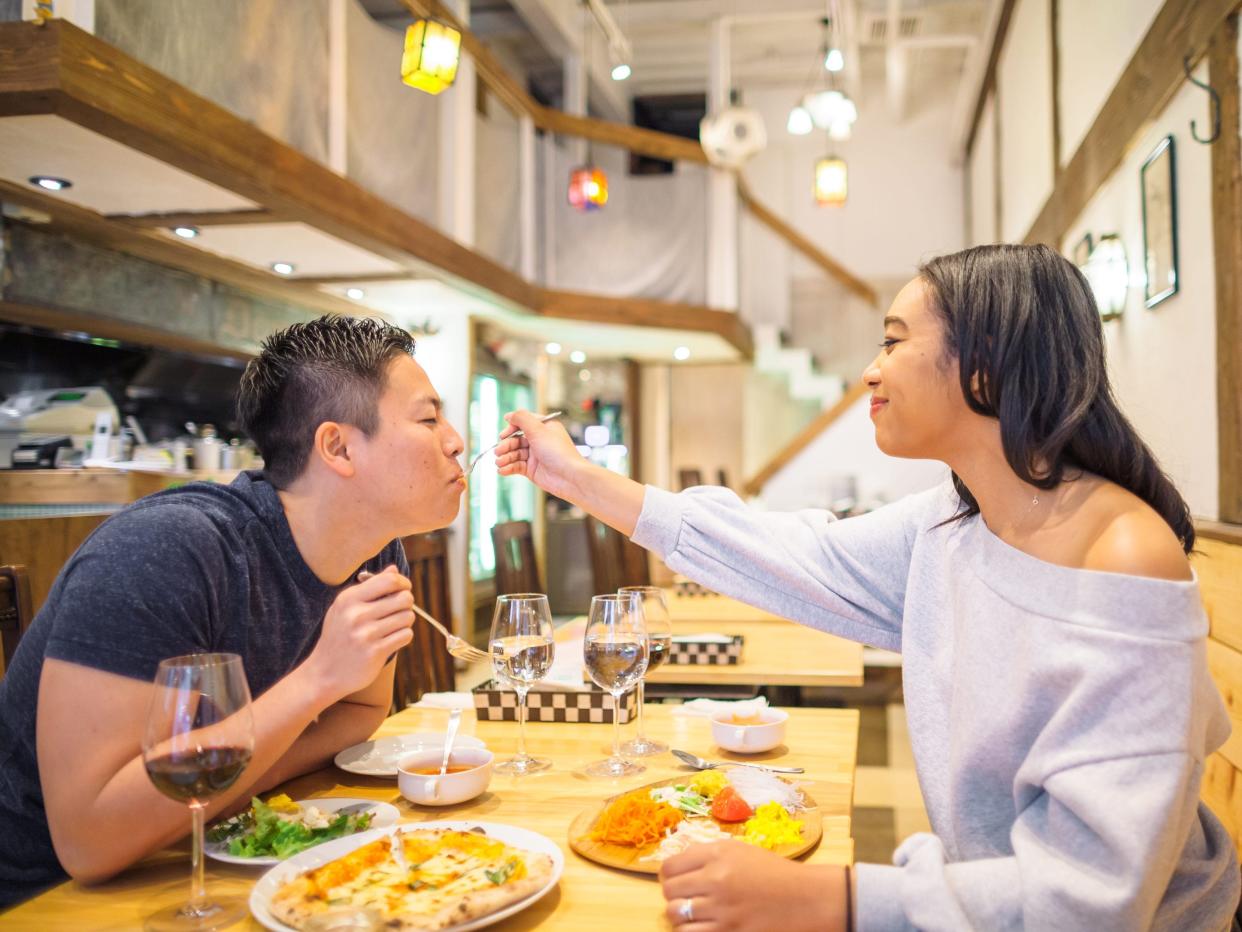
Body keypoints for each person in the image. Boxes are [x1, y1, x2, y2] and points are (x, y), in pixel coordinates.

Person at [496, 244, 1240, 930]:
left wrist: (836, 897)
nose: (870, 371)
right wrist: (574, 477)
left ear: (983, 363)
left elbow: (1095, 899)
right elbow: (796, 554)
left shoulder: (1124, 558)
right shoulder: (955, 524)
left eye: (892, 341)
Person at [0, 315, 466, 905]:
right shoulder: (164, 551)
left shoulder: (375, 550)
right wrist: (316, 680)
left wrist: (224, 783)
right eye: (428, 419)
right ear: (339, 447)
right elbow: (89, 842)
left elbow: (361, 711)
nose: (454, 440)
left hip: (201, 854)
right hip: (56, 900)